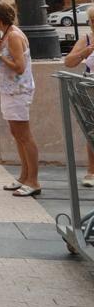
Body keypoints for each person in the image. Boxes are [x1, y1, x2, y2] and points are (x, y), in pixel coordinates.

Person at [0, 1, 40, 197]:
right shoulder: (8, 34)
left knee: (24, 136)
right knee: (17, 135)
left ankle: (33, 180)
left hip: (18, 92)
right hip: (10, 91)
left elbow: (19, 67)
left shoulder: (14, 36)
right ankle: (24, 176)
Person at [62, 27, 94, 187]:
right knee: (92, 131)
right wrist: (86, 51)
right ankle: (92, 171)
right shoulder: (88, 38)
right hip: (91, 89)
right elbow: (68, 62)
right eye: (92, 20)